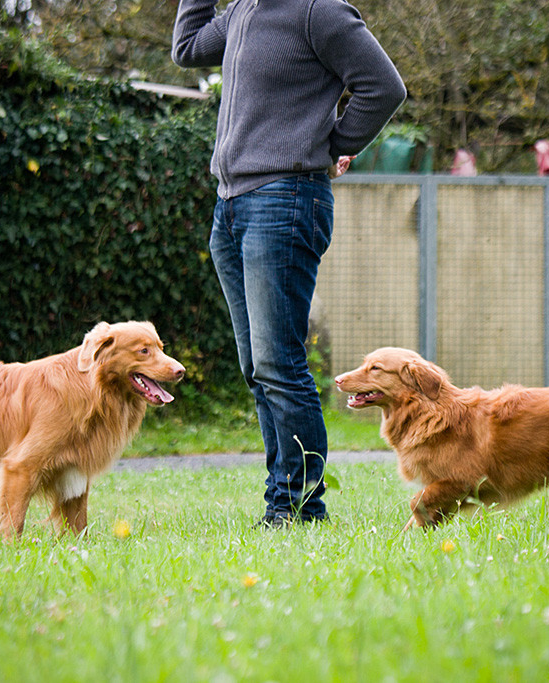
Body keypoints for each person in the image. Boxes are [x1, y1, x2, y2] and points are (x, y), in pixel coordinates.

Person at [172, 0, 405, 527]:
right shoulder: (242, 12)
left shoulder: (318, 12)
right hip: (230, 205)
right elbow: (187, 50)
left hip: (285, 198)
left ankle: (300, 508)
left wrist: (332, 143)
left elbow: (384, 87)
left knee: (280, 364)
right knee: (259, 368)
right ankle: (283, 501)